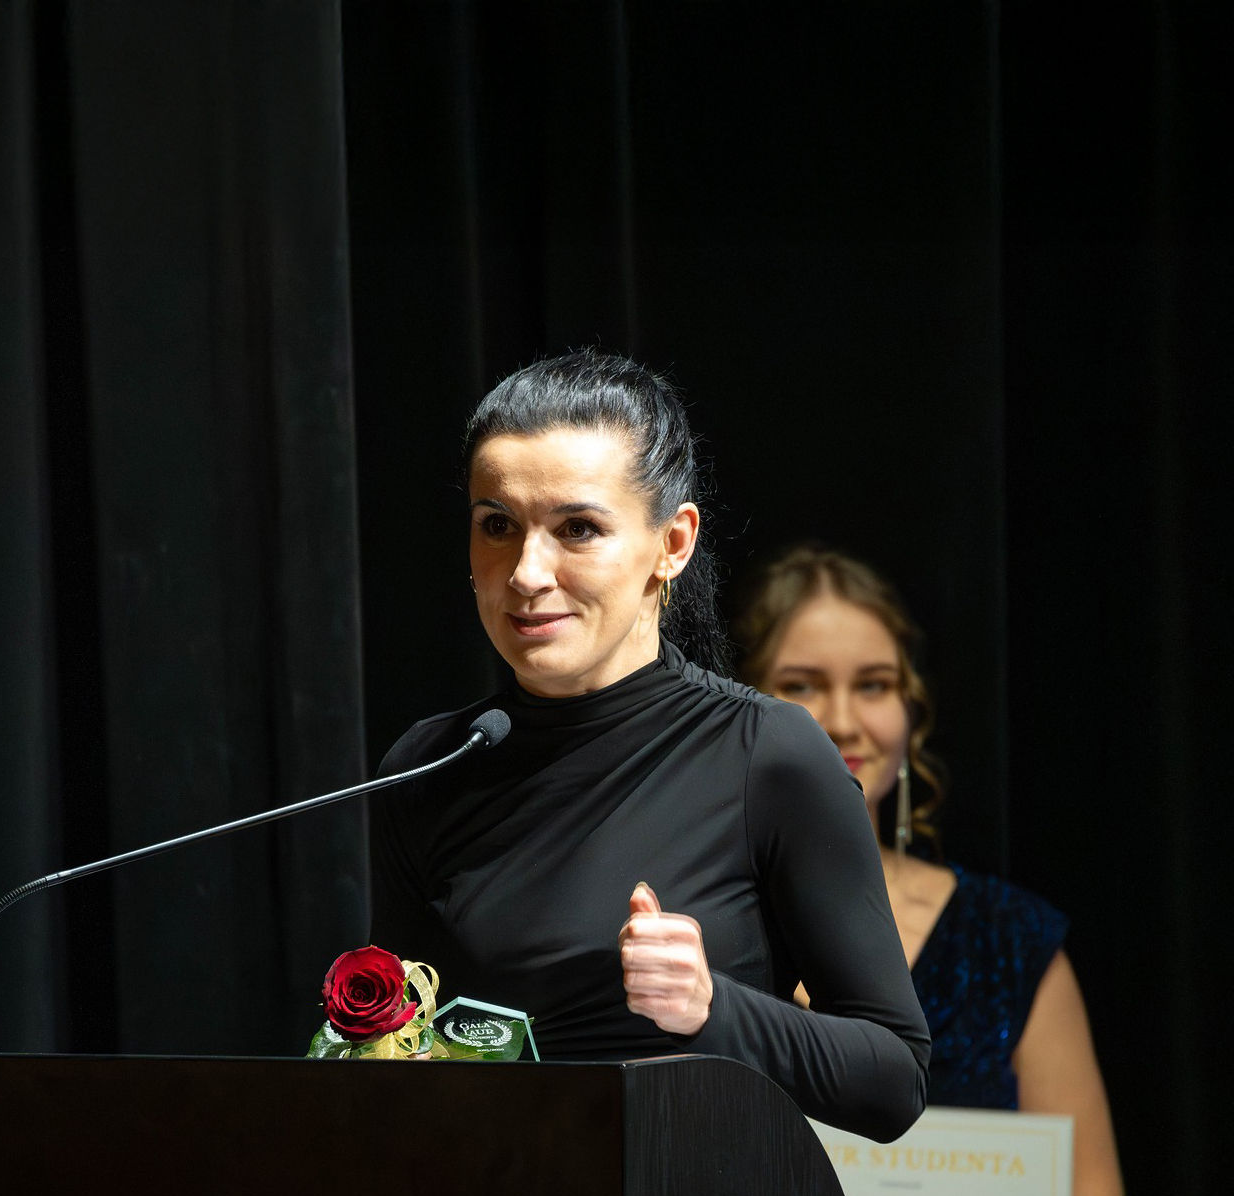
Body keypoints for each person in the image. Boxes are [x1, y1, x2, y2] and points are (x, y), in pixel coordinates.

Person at [364, 351, 930, 1142]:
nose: (526, 572)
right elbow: (393, 1059)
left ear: (673, 542)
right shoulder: (428, 767)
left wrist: (713, 1007)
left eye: (578, 529)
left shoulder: (766, 755)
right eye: (498, 525)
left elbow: (894, 1080)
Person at [737, 545, 1126, 1196]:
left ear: (910, 712)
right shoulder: (696, 943)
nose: (842, 719)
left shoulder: (1009, 937)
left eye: (873, 685)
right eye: (801, 685)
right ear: (748, 709)